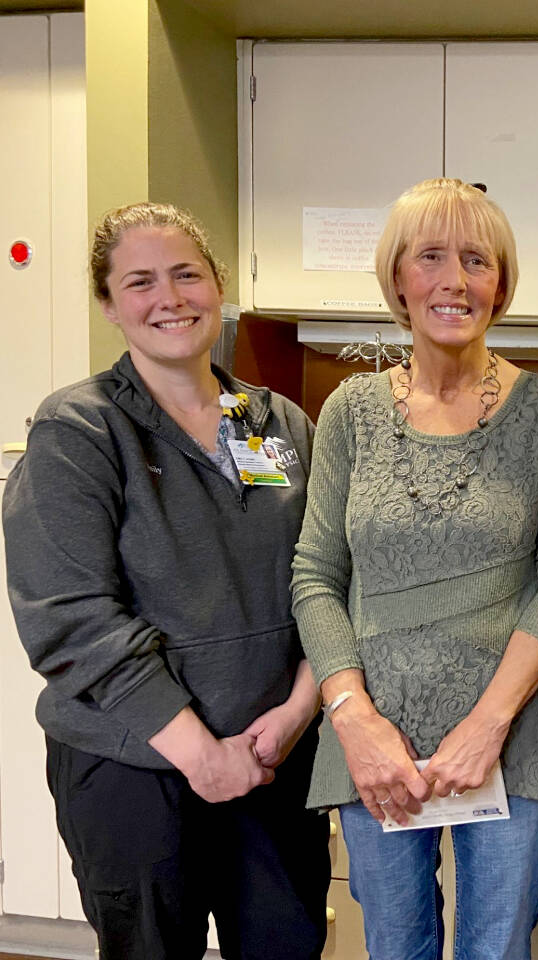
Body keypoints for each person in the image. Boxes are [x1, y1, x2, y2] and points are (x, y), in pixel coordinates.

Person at [3, 202, 329, 959]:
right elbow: (71, 618)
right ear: (110, 305)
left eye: (187, 274)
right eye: (141, 282)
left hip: (272, 758)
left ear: (218, 286)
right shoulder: (79, 431)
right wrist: (200, 753)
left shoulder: (271, 422)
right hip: (136, 766)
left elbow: (324, 580)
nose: (171, 298)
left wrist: (296, 713)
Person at [291, 178, 538, 960]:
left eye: (476, 260)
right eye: (430, 257)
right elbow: (316, 575)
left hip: (513, 730)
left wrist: (487, 725)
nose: (454, 281)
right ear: (398, 278)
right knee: (395, 945)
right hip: (375, 742)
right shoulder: (350, 412)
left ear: (502, 281)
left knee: (496, 947)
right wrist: (353, 718)